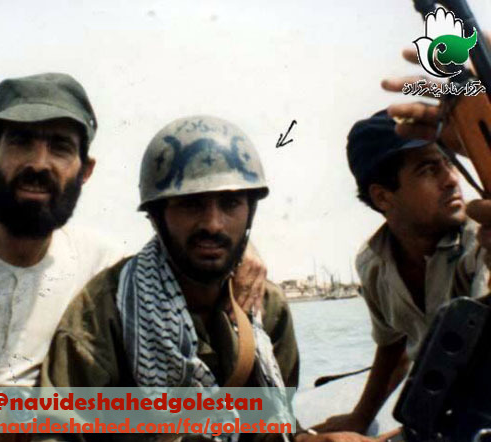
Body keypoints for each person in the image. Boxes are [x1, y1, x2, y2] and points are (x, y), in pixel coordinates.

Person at [0, 74, 267, 388]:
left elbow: (183, 256)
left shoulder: (99, 264)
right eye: (21, 142)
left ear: (85, 171)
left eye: (60, 147)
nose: (39, 163)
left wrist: (241, 251)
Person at [42, 115, 390, 442]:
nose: (212, 223)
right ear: (156, 217)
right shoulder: (105, 313)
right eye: (192, 204)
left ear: (250, 211)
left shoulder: (266, 309)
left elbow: (272, 427)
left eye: (230, 203)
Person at [314, 109, 488, 434]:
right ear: (383, 197)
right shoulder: (374, 264)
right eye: (429, 169)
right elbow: (392, 346)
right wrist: (360, 418)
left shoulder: (481, 244)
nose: (452, 179)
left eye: (448, 163)